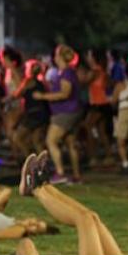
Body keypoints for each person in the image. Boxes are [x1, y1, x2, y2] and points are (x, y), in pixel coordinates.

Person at [35, 45, 83, 184]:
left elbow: (65, 93)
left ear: (60, 57)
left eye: (56, 54)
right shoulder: (63, 72)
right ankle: (76, 176)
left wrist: (43, 96)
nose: (54, 57)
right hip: (70, 111)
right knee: (71, 143)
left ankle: (60, 173)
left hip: (65, 112)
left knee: (51, 141)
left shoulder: (67, 72)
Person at [10, 59, 49, 162]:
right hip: (42, 113)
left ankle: (31, 163)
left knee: (17, 138)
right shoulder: (41, 82)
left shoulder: (28, 81)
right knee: (37, 142)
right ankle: (43, 167)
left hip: (33, 114)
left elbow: (17, 94)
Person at [83, 49, 114, 166]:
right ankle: (109, 155)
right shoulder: (103, 71)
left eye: (89, 56)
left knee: (88, 127)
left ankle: (92, 157)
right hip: (103, 103)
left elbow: (84, 81)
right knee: (101, 131)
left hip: (97, 104)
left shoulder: (95, 71)